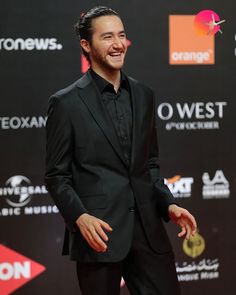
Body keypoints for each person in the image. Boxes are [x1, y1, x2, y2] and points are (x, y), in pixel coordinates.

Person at [45, 6, 197, 295]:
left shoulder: (144, 94)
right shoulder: (65, 103)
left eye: (121, 35)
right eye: (107, 37)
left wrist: (168, 205)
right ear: (86, 45)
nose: (117, 44)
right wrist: (80, 217)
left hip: (149, 231)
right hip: (99, 235)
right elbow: (56, 176)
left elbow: (150, 164)